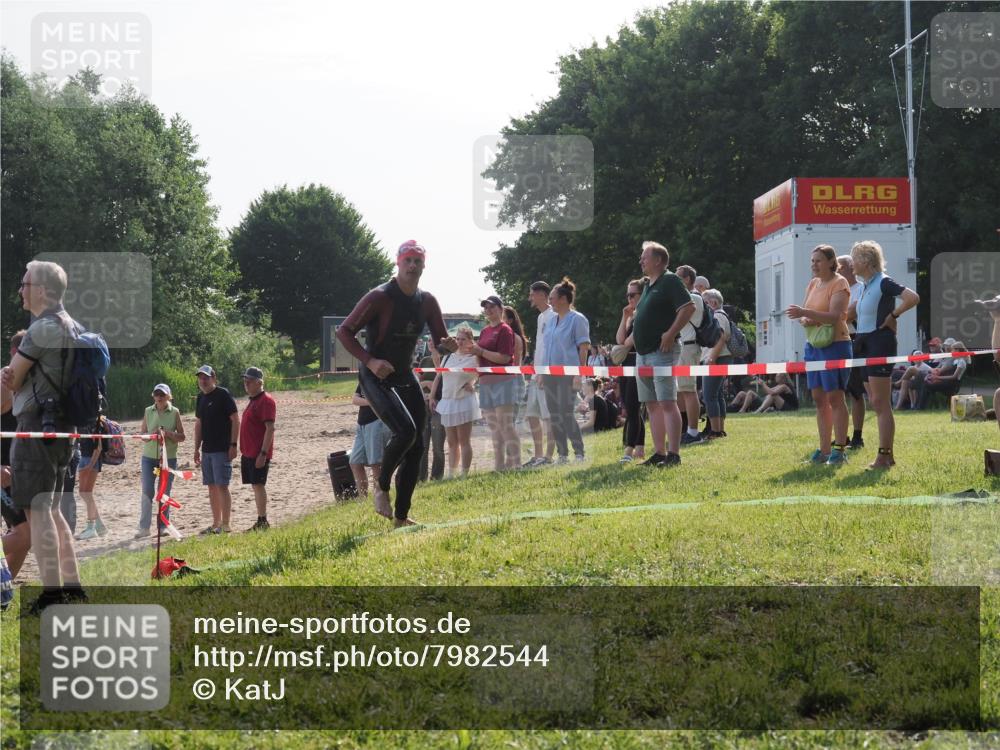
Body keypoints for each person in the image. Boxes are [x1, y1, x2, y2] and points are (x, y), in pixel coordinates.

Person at [335, 240, 457, 527]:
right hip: (375, 376)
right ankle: (381, 486)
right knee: (405, 432)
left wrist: (449, 344)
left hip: (403, 374)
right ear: (398, 263)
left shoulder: (427, 301)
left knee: (416, 445)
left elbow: (441, 339)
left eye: (418, 261)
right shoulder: (379, 296)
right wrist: (370, 361)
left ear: (424, 265)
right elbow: (344, 332)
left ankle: (401, 517)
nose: (413, 266)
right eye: (408, 261)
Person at [1, 260, 87, 611]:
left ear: (44, 290)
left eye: (25, 284)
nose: (21, 290)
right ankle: (73, 586)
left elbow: (13, 381)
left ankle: (53, 594)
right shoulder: (74, 326)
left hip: (36, 429)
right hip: (65, 431)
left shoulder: (40, 330)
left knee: (38, 512)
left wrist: (12, 372)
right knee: (53, 512)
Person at [848, 240, 919, 469]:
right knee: (875, 402)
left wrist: (894, 315)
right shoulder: (865, 285)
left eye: (855, 258)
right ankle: (886, 456)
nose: (851, 263)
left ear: (867, 261)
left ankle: (884, 456)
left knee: (880, 402)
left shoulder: (883, 282)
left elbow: (912, 297)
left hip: (880, 343)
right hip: (863, 343)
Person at [786, 244, 852, 465]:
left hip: (835, 345)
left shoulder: (840, 283)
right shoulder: (813, 283)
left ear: (832, 262)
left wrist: (805, 313)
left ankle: (839, 449)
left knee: (835, 397)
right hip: (813, 346)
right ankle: (824, 450)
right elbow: (809, 313)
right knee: (818, 398)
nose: (814, 265)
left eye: (819, 260)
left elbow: (835, 317)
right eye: (812, 260)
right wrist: (806, 318)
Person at [631, 242, 695, 467]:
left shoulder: (670, 281)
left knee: (667, 402)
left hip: (662, 351)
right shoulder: (648, 284)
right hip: (644, 353)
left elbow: (688, 308)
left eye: (644, 257)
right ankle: (659, 453)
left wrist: (670, 333)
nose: (641, 261)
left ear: (658, 260)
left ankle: (674, 454)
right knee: (651, 404)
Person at [543, 278, 591, 462]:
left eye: (552, 298)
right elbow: (547, 349)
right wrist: (542, 373)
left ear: (563, 299)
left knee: (565, 412)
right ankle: (562, 454)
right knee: (554, 414)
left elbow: (584, 347)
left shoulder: (577, 319)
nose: (550, 301)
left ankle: (579, 452)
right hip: (549, 375)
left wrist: (579, 374)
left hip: (568, 375)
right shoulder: (551, 321)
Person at [474, 295, 520, 471]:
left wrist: (481, 351)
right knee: (494, 428)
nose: (488, 310)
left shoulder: (505, 330)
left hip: (503, 381)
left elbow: (505, 358)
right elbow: (479, 355)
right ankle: (499, 466)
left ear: (501, 309)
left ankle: (516, 464)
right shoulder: (485, 331)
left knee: (506, 425)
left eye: (492, 306)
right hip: (486, 382)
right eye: (485, 307)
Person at [193, 364, 239, 534]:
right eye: (201, 377)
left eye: (206, 377)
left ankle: (226, 524)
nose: (203, 380)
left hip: (222, 449)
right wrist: (196, 448)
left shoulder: (223, 394)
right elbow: (199, 424)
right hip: (207, 449)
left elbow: (235, 419)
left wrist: (233, 445)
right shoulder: (200, 398)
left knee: (222, 486)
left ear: (214, 378)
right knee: (211, 486)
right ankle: (216, 522)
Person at [430, 325, 480, 477]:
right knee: (452, 442)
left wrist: (473, 384)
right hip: (447, 401)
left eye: (463, 339)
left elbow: (481, 374)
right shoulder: (448, 356)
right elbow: (439, 375)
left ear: (470, 340)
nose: (459, 342)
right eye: (457, 339)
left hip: (464, 400)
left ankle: (464, 474)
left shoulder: (474, 357)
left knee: (464, 440)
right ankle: (452, 473)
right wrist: (432, 396)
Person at [137, 383, 185, 538]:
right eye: (157, 394)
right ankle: (144, 527)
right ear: (153, 396)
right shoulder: (148, 411)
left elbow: (182, 436)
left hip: (168, 458)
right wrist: (152, 435)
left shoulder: (175, 412)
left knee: (164, 492)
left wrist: (168, 434)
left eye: (162, 395)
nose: (159, 397)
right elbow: (143, 435)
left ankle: (163, 526)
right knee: (147, 492)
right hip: (149, 458)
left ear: (168, 396)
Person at [523, 281, 556, 467]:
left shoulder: (552, 316)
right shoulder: (541, 317)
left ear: (542, 294)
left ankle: (549, 457)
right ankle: (538, 455)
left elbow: (551, 347)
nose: (530, 298)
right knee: (532, 415)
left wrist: (545, 372)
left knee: (547, 417)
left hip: (546, 374)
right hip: (537, 374)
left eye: (532, 294)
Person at [239, 367, 276, 531]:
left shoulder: (266, 400)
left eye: (250, 380)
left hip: (258, 453)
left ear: (259, 382)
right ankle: (260, 520)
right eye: (245, 379)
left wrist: (263, 453)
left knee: (259, 485)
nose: (246, 383)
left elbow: (270, 428)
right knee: (255, 485)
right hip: (249, 452)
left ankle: (262, 521)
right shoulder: (253, 400)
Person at [615, 278, 647, 463]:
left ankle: (629, 449)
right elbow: (620, 340)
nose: (629, 299)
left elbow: (628, 343)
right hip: (626, 364)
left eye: (632, 295)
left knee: (634, 406)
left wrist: (623, 347)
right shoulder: (632, 315)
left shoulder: (645, 315)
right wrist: (624, 316)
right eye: (627, 295)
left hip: (638, 362)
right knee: (630, 406)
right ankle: (640, 447)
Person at [674, 265, 706, 445]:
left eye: (678, 278)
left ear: (687, 279)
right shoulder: (688, 297)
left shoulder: (693, 297)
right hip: (683, 347)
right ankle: (685, 429)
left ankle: (694, 432)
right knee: (681, 391)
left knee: (688, 390)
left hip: (688, 347)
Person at [838, 254, 867, 449]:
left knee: (856, 391)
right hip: (839, 341)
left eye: (839, 268)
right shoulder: (838, 290)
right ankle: (841, 435)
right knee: (840, 391)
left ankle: (857, 436)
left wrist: (832, 316)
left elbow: (848, 315)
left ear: (849, 267)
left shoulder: (861, 289)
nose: (836, 271)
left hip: (855, 341)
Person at [700, 289, 733, 440]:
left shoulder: (718, 316)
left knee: (709, 396)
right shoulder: (721, 315)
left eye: (704, 302)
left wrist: (711, 358)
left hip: (716, 358)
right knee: (717, 395)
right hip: (719, 358)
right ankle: (719, 429)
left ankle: (714, 431)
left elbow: (721, 338)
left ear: (713, 303)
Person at [349, 384, 388, 500]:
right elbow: (355, 399)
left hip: (376, 422)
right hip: (361, 424)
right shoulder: (365, 377)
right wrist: (370, 402)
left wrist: (366, 401)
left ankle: (380, 497)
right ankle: (363, 498)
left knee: (375, 463)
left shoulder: (381, 377)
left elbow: (382, 401)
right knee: (355, 462)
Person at [73, 414, 104, 540]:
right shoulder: (83, 421)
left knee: (86, 493)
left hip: (90, 459)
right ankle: (99, 526)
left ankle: (92, 527)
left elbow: (99, 447)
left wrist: (90, 466)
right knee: (85, 493)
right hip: (85, 458)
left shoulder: (95, 422)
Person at [916, 342, 968, 410]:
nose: (951, 352)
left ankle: (921, 407)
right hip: (947, 381)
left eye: (952, 350)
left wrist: (937, 377)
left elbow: (954, 377)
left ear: (957, 350)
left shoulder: (961, 362)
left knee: (926, 385)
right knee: (925, 382)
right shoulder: (956, 361)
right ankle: (921, 406)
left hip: (951, 384)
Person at [894, 337, 943, 409]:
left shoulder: (942, 356)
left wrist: (935, 372)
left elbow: (935, 370)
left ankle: (898, 383)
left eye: (933, 345)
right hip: (919, 377)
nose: (931, 347)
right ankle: (905, 406)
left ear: (939, 346)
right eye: (930, 346)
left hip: (927, 377)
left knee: (911, 369)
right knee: (906, 381)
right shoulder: (930, 357)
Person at [503, 305, 530, 426]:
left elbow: (513, 365)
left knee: (509, 423)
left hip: (513, 382)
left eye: (502, 317)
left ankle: (511, 445)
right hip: (504, 382)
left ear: (510, 320)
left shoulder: (515, 338)